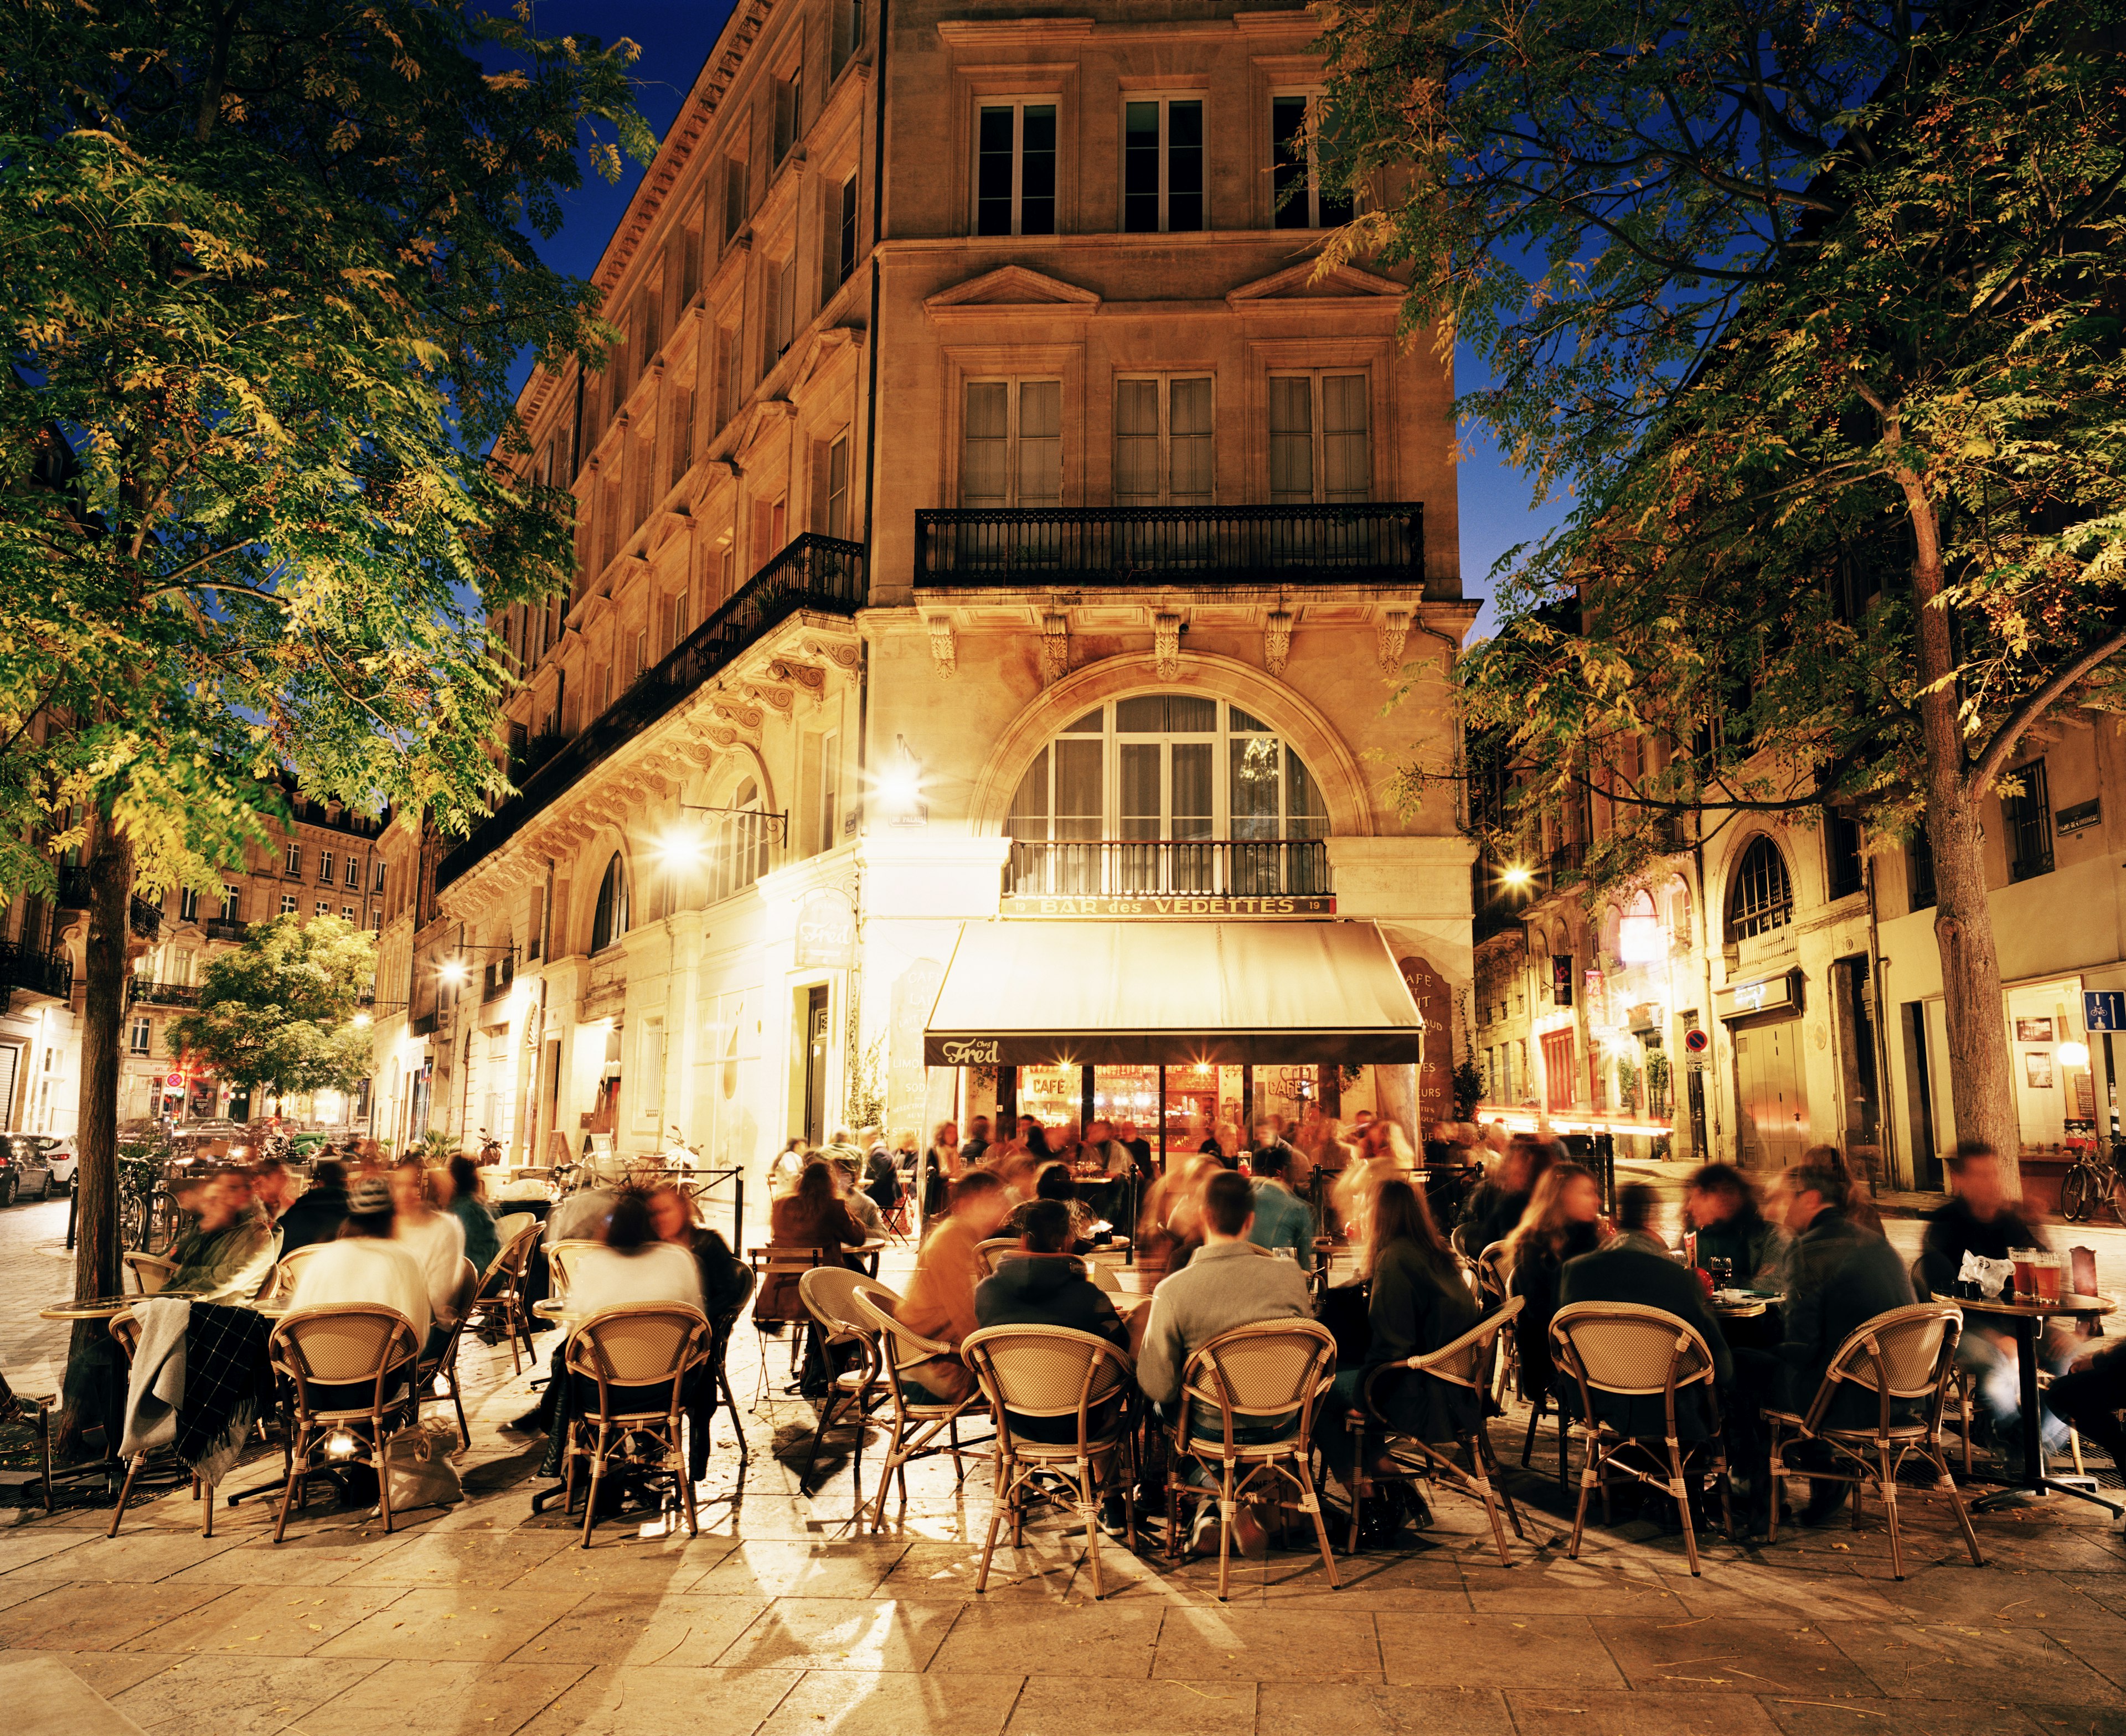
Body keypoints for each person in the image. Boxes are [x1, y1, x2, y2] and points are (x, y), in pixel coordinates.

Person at [1136, 1170, 1315, 1556]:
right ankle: (1222, 1508)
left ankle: (1214, 1498)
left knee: (1160, 1407)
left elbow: (1158, 1385)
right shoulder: (1291, 1278)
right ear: (1250, 1220)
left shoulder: (1173, 1290)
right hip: (1281, 1424)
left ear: (1203, 1216)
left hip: (1211, 1429)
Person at [1322, 1179, 1479, 1534]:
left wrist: (1363, 1398)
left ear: (1379, 1217)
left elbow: (1391, 1346)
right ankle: (1392, 1488)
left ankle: (1372, 1504)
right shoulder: (1431, 1253)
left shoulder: (1395, 1259)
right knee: (1343, 1380)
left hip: (1424, 1394)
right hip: (1453, 1386)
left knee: (1318, 1393)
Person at [1774, 1155, 1915, 1519]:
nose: (1780, 1210)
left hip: (1848, 1397)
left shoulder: (1808, 1248)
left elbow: (1802, 1346)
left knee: (1741, 1372)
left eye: (1786, 1198)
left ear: (1811, 1198)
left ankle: (1762, 1495)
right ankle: (1822, 1471)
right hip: (1904, 1393)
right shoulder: (1874, 1243)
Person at [1556, 1182, 1731, 1442]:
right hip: (1669, 1408)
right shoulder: (1677, 1278)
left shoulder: (1575, 1272)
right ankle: (1729, 1469)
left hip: (1597, 1402)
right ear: (1652, 1221)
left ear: (1615, 1220)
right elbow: (1718, 1361)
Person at [1919, 1140, 2059, 1465]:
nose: (1990, 1183)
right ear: (1960, 1180)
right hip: (1964, 1330)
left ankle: (2027, 1442)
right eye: (1980, 1175)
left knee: (2072, 1360)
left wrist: (2037, 1226)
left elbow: (2040, 1278)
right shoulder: (1945, 1225)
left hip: (2020, 1326)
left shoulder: (2011, 1222)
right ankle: (2018, 1441)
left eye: (1993, 1175)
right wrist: (1999, 1339)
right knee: (1998, 1363)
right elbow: (1944, 1300)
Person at [894, 1170, 1013, 1399]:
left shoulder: (967, 1236)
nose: (1001, 1209)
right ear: (967, 1203)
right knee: (1030, 1385)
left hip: (942, 1356)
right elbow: (967, 1316)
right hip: (931, 1368)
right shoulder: (953, 1240)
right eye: (992, 1200)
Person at [1504, 1161, 1607, 1404]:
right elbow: (1542, 1314)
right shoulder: (1532, 1246)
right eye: (1586, 1193)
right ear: (1560, 1197)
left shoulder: (1588, 1237)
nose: (1596, 1201)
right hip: (1553, 1363)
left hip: (1592, 1351)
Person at [284, 1174, 430, 1345]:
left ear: (351, 1218)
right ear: (393, 1216)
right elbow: (418, 1335)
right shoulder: (406, 1261)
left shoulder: (323, 1258)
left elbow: (294, 1322)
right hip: (387, 1369)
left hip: (317, 1367)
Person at [755, 1159, 868, 1325]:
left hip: (779, 1296)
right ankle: (831, 1346)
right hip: (822, 1297)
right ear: (830, 1183)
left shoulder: (781, 1205)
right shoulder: (832, 1206)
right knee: (856, 1277)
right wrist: (846, 1206)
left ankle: (815, 1348)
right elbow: (858, 1238)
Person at [163, 1166, 276, 1301]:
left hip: (221, 1315)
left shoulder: (256, 1234)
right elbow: (182, 1273)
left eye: (217, 1199)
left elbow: (222, 1281)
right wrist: (158, 1298)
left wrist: (168, 1300)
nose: (207, 1207)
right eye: (207, 1200)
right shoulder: (210, 1233)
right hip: (189, 1307)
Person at [389, 1157, 468, 1344]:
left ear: (423, 1189)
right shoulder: (389, 1225)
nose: (404, 1192)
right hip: (390, 1325)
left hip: (427, 1330)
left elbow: (437, 1295)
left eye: (412, 1186)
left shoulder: (443, 1228)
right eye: (399, 1185)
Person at [647, 1181, 752, 1321]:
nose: (660, 1219)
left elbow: (728, 1294)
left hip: (700, 1328)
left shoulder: (708, 1242)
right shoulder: (651, 1245)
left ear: (683, 1209)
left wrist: (691, 1315)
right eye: (654, 1213)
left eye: (666, 1210)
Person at [1683, 1162, 1788, 1290]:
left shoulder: (1772, 1238)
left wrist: (1711, 1281)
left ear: (1725, 1196)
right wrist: (1745, 1281)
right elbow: (1681, 1285)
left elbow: (1772, 1289)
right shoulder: (1692, 1239)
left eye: (1699, 1195)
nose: (1690, 1206)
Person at [1458, 1135, 1542, 1256]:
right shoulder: (1510, 1201)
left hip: (1495, 1254)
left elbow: (1467, 1212)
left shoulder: (1516, 1197)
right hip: (1501, 1259)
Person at [1245, 1144, 1314, 1270]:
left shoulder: (1246, 1200)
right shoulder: (1298, 1209)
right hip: (1279, 1280)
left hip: (1245, 1278)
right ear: (1287, 1171)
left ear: (1265, 1171)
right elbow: (1304, 1267)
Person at [1003, 1161, 1098, 1249]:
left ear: (1040, 1183)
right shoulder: (1082, 1209)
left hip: (1020, 1262)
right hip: (1071, 1263)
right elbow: (1096, 1239)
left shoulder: (1020, 1210)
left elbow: (999, 1240)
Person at [439, 1154, 501, 1277]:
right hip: (492, 1277)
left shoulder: (463, 1209)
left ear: (454, 1180)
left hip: (479, 1280)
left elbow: (462, 1256)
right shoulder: (475, 1202)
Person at [275, 1158, 350, 1256]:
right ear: (346, 1182)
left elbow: (279, 1240)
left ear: (321, 1183)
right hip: (344, 1265)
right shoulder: (358, 1210)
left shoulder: (301, 1207)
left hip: (299, 1267)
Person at [251, 1158, 294, 1226]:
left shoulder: (291, 1207)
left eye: (289, 1178)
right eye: (282, 1177)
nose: (288, 1182)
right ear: (262, 1179)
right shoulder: (249, 1207)